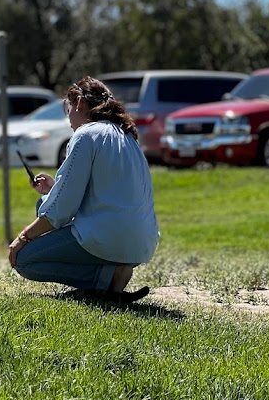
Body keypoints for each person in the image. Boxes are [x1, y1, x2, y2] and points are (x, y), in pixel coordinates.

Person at [8, 76, 159, 298]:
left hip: (110, 237)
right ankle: (112, 276)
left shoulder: (86, 134)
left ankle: (103, 276)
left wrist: (22, 239)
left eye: (67, 109)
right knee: (44, 202)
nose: (68, 118)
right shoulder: (127, 136)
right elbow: (103, 194)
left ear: (78, 102)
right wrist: (54, 190)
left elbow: (61, 210)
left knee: (24, 261)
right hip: (142, 242)